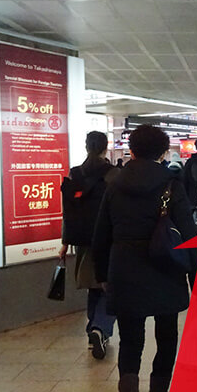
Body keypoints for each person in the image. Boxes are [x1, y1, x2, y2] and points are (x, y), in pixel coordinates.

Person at [92, 124, 197, 392]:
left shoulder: (114, 185)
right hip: (166, 266)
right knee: (167, 335)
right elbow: (189, 235)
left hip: (124, 268)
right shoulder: (172, 185)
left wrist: (102, 274)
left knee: (130, 338)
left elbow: (101, 235)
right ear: (162, 153)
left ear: (131, 150)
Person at [59, 131, 119, 360]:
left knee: (93, 285)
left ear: (86, 147)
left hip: (82, 238)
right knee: (109, 286)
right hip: (109, 239)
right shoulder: (113, 174)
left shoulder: (75, 173)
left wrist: (65, 242)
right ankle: (100, 328)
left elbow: (68, 211)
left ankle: (93, 331)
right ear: (105, 148)